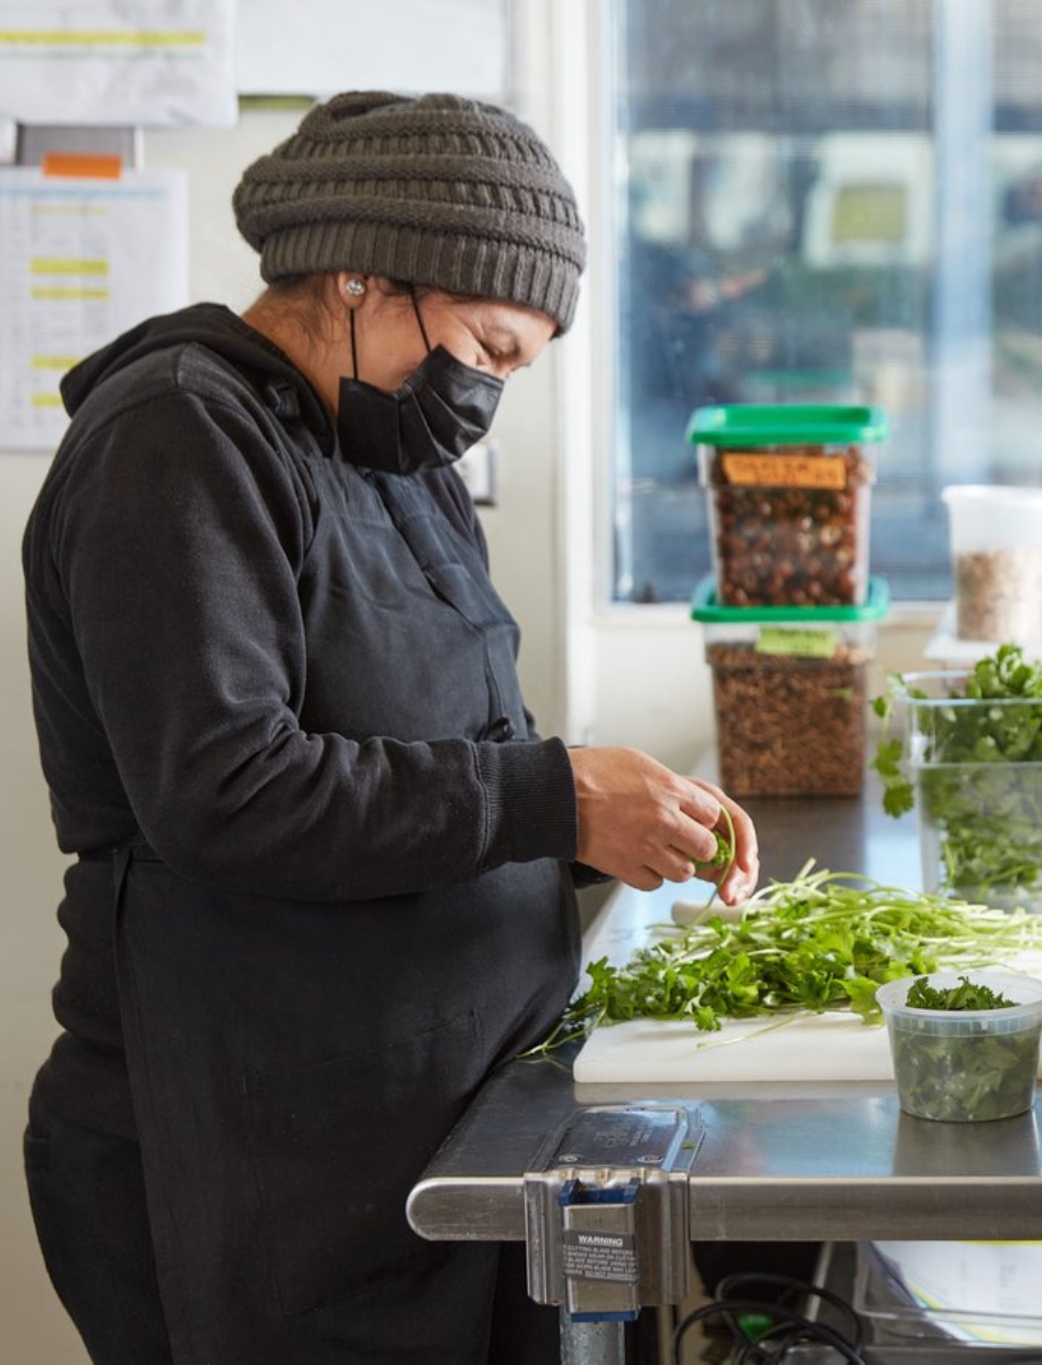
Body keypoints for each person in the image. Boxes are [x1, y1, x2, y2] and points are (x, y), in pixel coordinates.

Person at [20, 92, 760, 1364]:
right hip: (265, 1162)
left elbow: (459, 759)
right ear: (360, 274)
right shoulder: (177, 438)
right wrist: (556, 801)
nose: (482, 392)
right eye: (484, 344)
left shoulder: (392, 459)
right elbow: (228, 791)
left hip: (439, 1128)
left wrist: (619, 820)